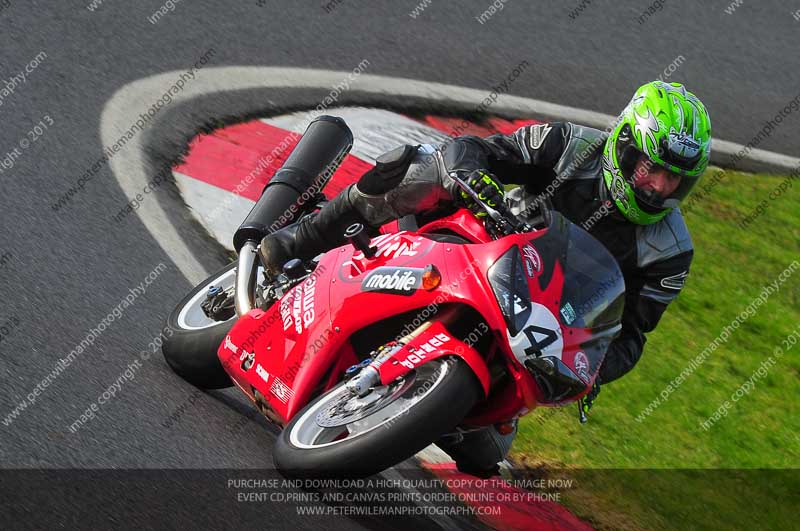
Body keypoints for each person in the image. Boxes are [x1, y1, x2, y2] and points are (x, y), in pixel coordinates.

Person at [260, 80, 712, 477]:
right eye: (649, 168)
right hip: (484, 244)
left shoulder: (671, 252)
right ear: (625, 144)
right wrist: (469, 175)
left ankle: (432, 398)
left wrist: (592, 370)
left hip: (535, 329)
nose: (656, 187)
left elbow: (631, 335)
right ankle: (305, 236)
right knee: (424, 167)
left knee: (485, 452)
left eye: (674, 180)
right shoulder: (569, 145)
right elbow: (480, 150)